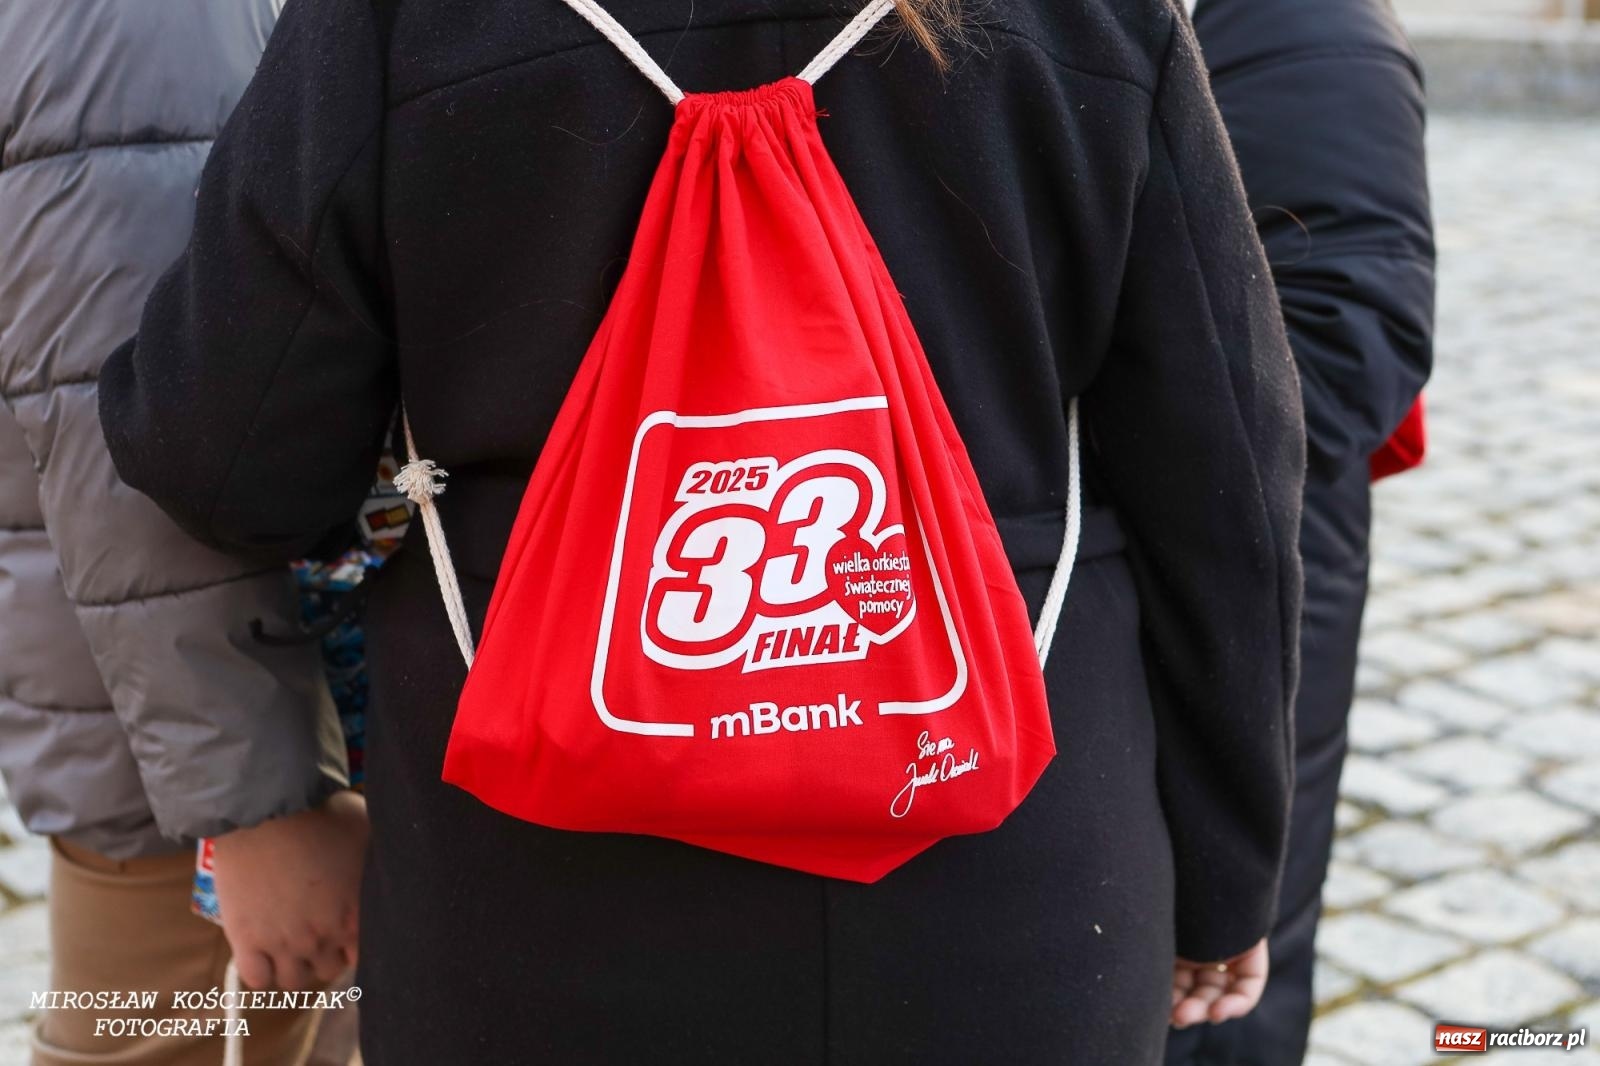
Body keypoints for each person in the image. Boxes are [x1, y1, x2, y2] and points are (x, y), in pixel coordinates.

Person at [100, 0, 1306, 1061]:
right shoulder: (1090, 18)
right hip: (1013, 888)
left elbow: (228, 457)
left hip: (540, 905)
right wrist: (1226, 875)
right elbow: (1225, 483)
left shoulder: (403, 20)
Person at [0, 1, 367, 1062]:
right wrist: (256, 802)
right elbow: (123, 412)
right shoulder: (141, 18)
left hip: (211, 719)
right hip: (200, 756)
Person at [1167, 0, 1436, 1062]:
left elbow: (1343, 348)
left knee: (1215, 987)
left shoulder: (1311, 27)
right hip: (1115, 588)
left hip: (1245, 586)